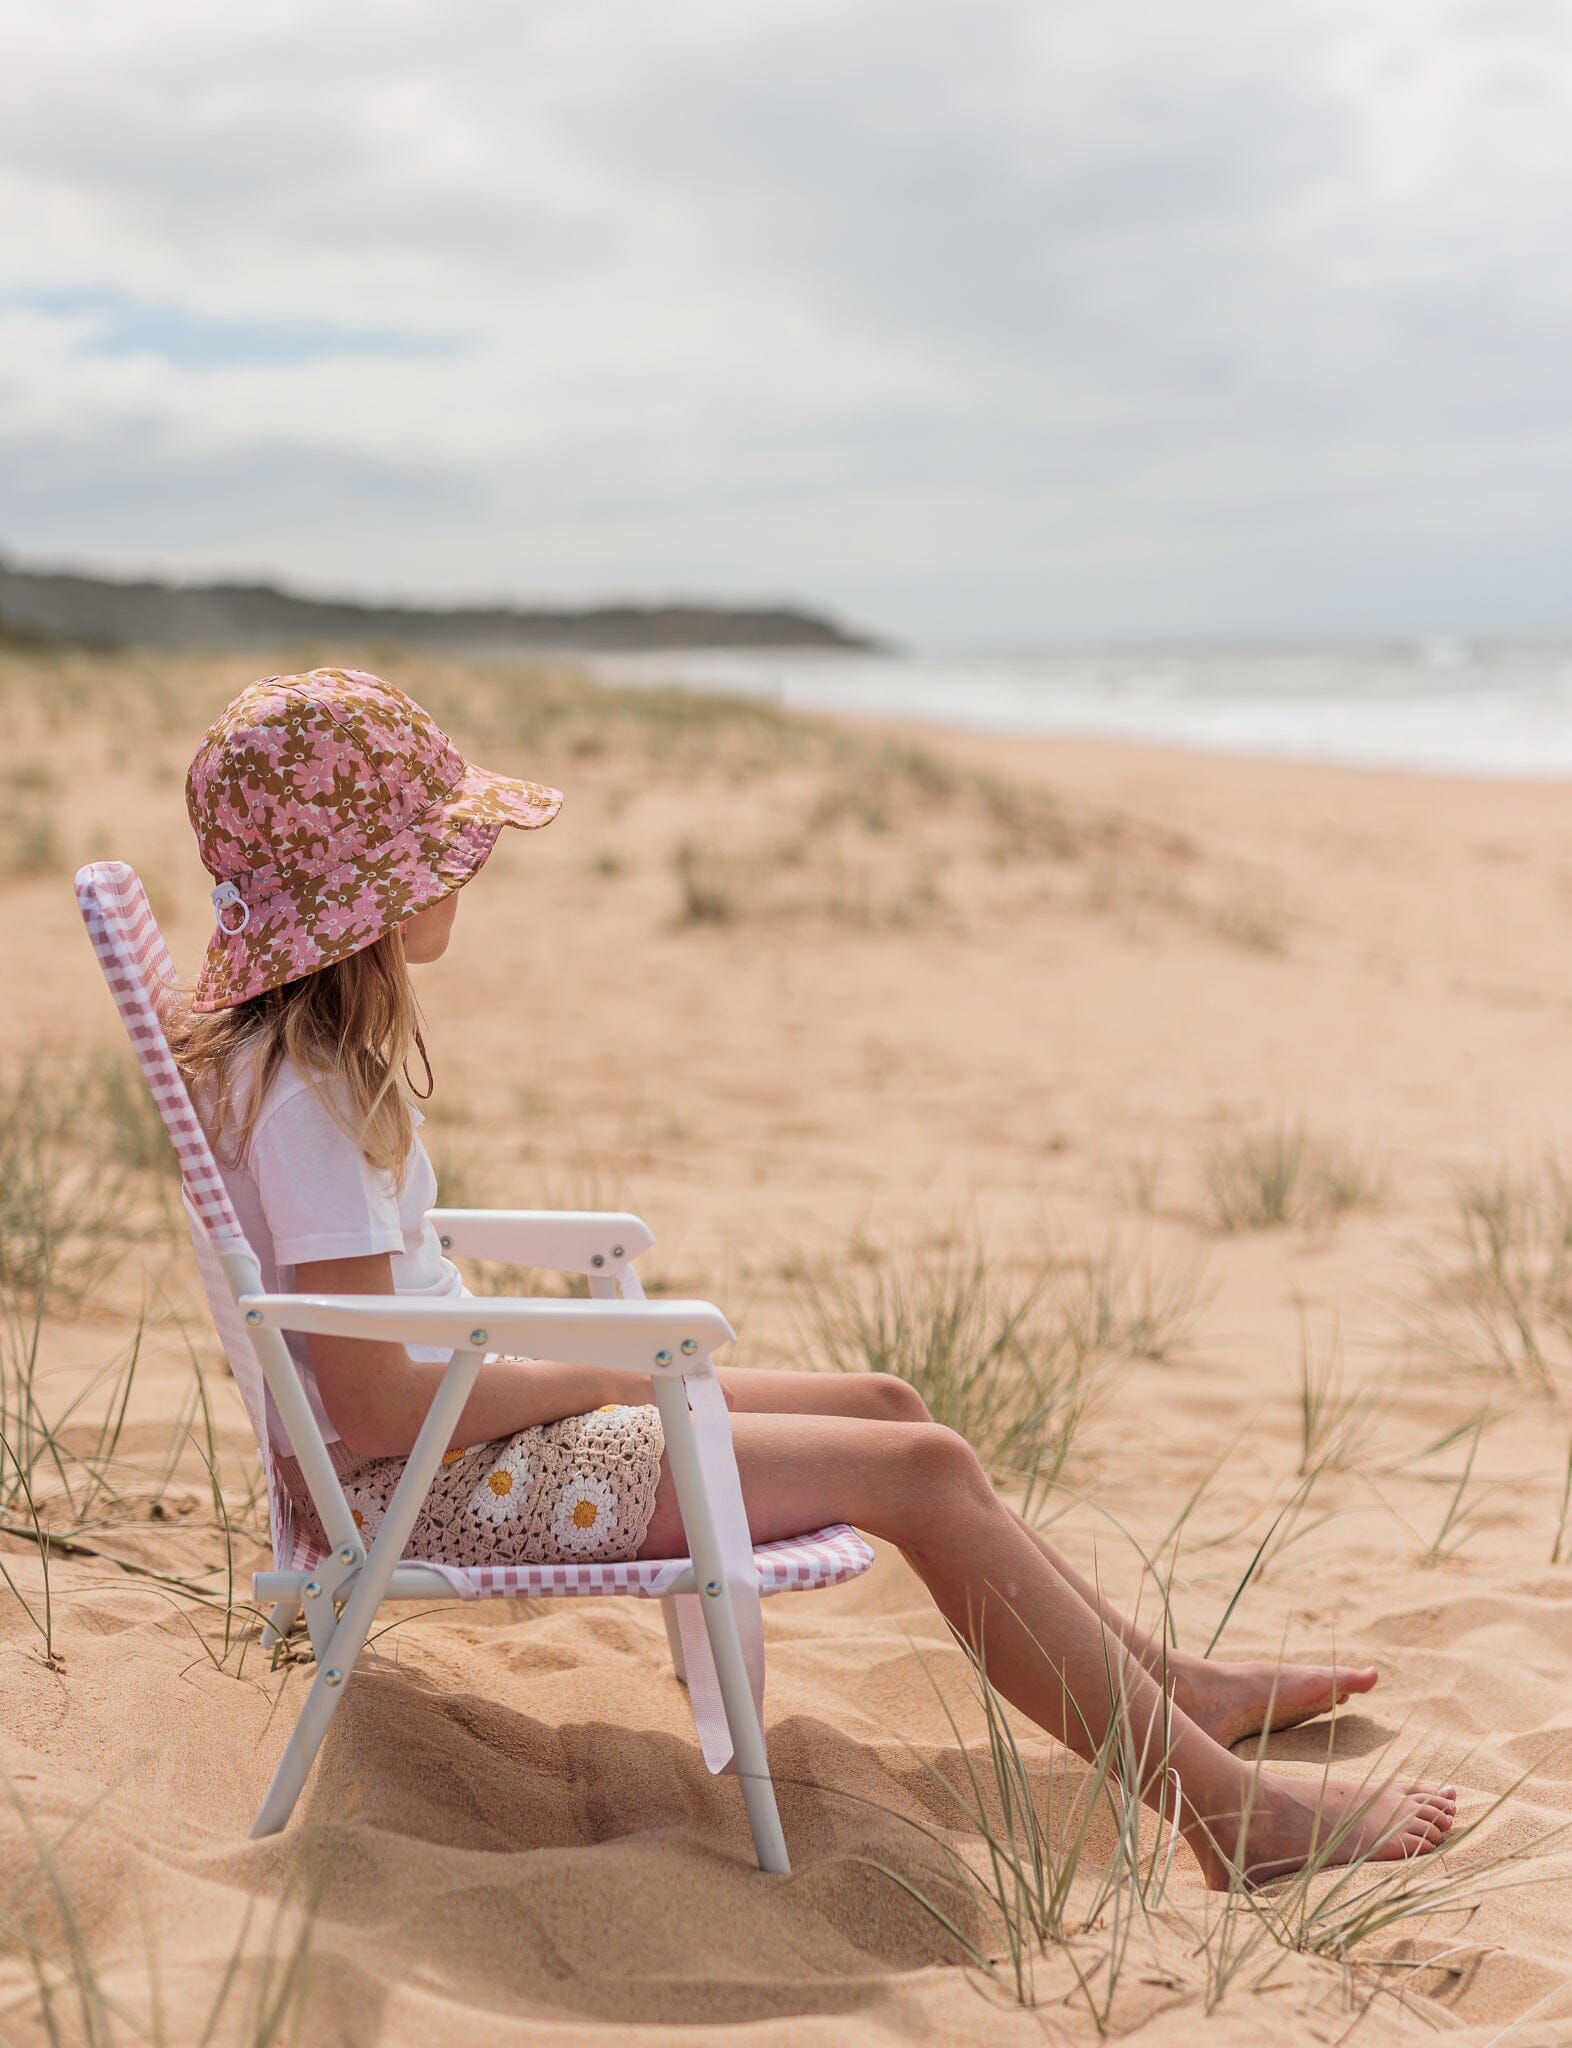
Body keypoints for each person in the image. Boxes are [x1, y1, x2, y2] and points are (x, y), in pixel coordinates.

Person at [172, 667, 1456, 1889]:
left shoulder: (300, 1068)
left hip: (453, 1443)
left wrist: (577, 1368)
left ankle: (1176, 1685)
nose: (473, 867)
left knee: (895, 1405)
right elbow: (379, 1399)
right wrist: (607, 1366)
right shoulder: (308, 1098)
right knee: (922, 1471)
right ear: (374, 895)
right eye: (446, 850)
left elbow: (378, 1348)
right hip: (432, 1484)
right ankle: (1228, 1809)